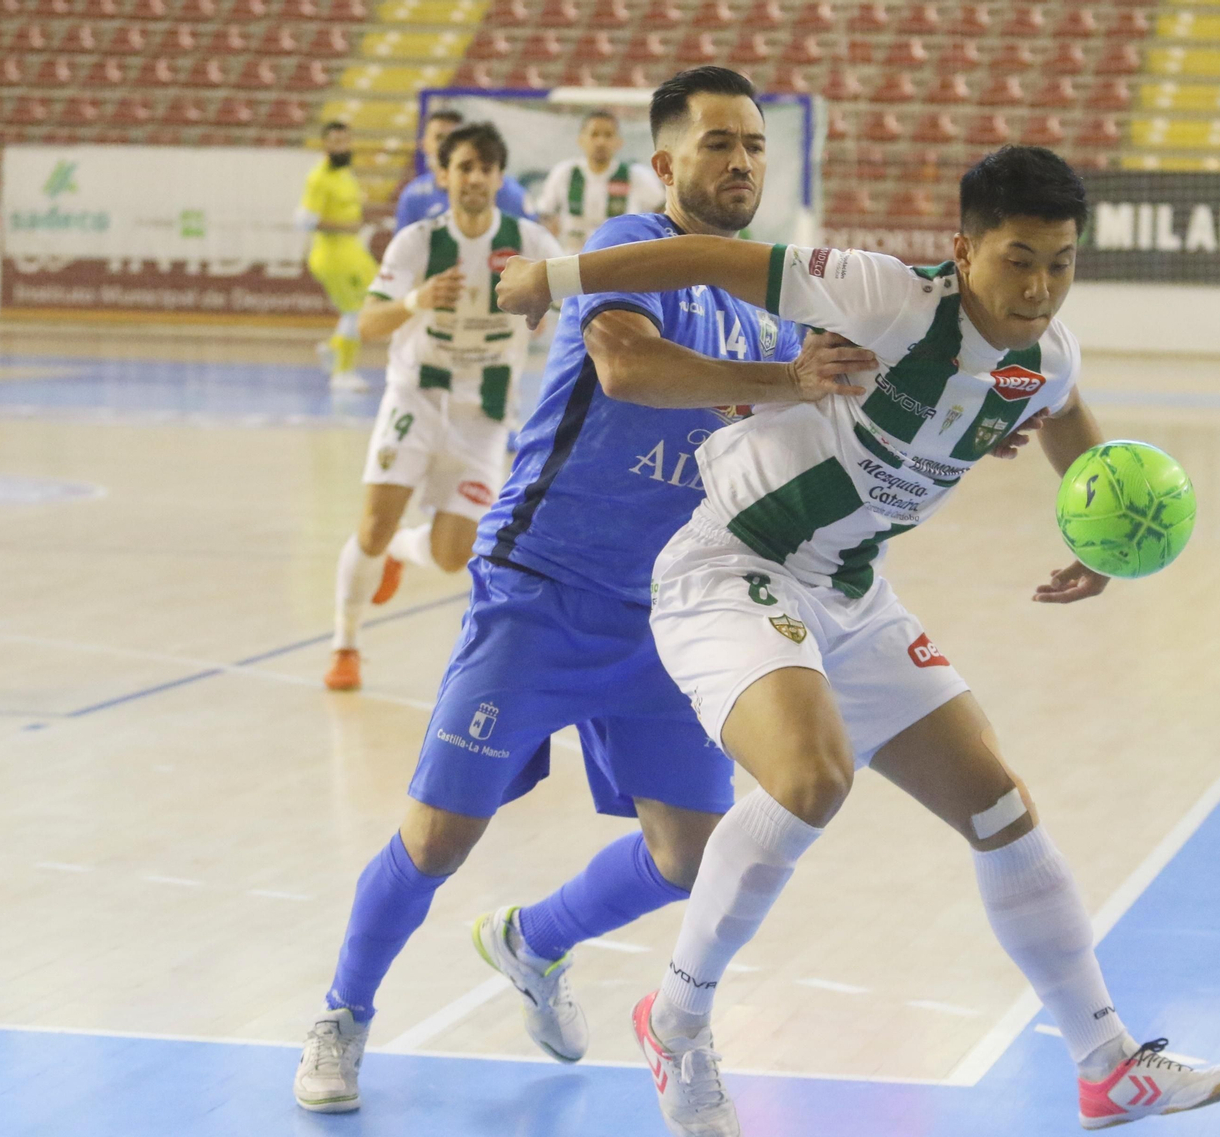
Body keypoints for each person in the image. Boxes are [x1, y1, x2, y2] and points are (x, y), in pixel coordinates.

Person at [497, 145, 1220, 1135]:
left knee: (998, 810)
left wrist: (1092, 530)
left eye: (1060, 263)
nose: (1037, 288)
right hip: (730, 567)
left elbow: (1060, 412)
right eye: (1018, 259)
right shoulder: (883, 296)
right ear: (963, 249)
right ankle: (674, 1022)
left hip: (849, 591)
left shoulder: (1047, 352)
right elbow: (714, 261)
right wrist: (552, 279)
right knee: (811, 780)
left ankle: (1105, 1064)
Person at [293, 66, 875, 1114]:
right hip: (542, 586)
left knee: (688, 855)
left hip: (675, 611)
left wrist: (952, 417)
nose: (739, 161)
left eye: (751, 144)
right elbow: (629, 369)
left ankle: (531, 941)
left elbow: (828, 410)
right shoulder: (622, 248)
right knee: (438, 839)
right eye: (715, 144)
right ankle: (343, 1011)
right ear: (665, 163)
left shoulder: (772, 300)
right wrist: (791, 380)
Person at [322, 122, 562, 693]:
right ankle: (345, 644)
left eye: (485, 168)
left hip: (484, 416)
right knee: (374, 525)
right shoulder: (418, 242)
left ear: (499, 177)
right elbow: (370, 322)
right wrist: (417, 299)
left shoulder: (528, 241)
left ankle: (407, 550)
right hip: (416, 399)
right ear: (444, 175)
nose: (475, 178)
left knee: (454, 556)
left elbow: (579, 296)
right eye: (464, 167)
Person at [298, 121, 379, 393]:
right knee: (355, 311)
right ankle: (343, 373)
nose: (341, 146)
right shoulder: (319, 177)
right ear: (325, 144)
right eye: (335, 141)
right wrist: (344, 225)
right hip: (333, 255)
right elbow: (305, 219)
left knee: (373, 301)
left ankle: (333, 349)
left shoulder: (345, 172)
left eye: (345, 140)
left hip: (352, 251)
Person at [536, 109, 667, 253]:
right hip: (571, 258)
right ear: (581, 140)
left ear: (619, 142)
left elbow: (663, 208)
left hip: (620, 259)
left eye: (608, 135)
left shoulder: (635, 175)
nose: (601, 142)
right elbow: (544, 213)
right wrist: (550, 226)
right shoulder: (564, 173)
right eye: (594, 134)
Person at [396, 109, 537, 232]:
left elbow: (531, 241)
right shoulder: (414, 196)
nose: (475, 180)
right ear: (424, 143)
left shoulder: (510, 193)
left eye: (453, 138)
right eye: (439, 138)